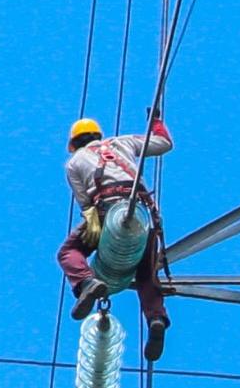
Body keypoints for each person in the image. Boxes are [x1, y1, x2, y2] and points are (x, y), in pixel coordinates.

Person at [58, 114, 173, 360]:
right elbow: (164, 143)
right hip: (141, 212)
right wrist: (156, 122)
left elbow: (85, 203)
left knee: (68, 252)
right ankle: (156, 318)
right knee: (146, 272)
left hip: (106, 208)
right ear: (98, 135)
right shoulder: (122, 142)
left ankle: (86, 283)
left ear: (74, 143)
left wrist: (93, 224)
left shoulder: (73, 162)